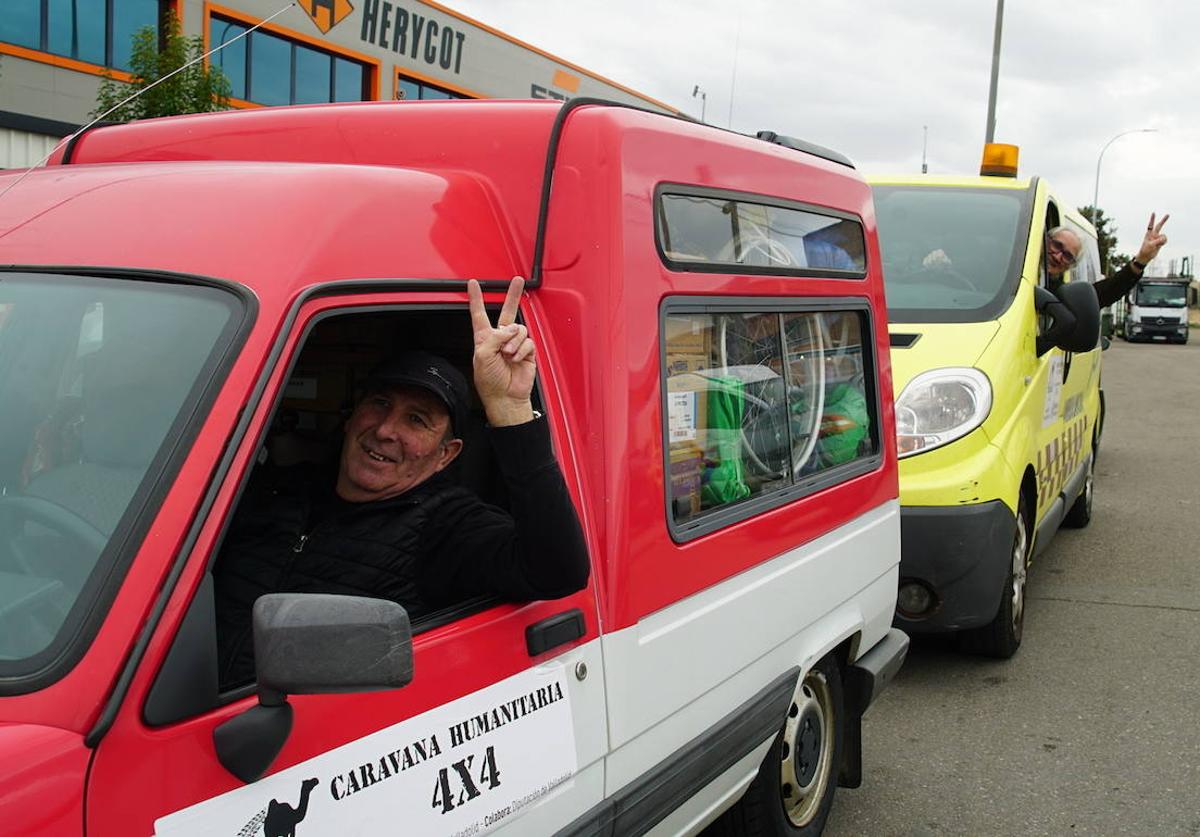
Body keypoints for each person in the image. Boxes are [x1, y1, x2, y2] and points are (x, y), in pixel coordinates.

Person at [213, 277, 590, 688]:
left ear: (446, 454)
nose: (386, 430)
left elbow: (559, 570)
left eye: (417, 420)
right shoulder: (276, 490)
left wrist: (510, 409)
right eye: (379, 404)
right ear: (352, 414)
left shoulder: (446, 525)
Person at [1045, 213, 1170, 308]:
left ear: (1070, 266)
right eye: (1056, 245)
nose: (1057, 256)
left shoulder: (1060, 294)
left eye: (1067, 256)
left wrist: (1141, 260)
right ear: (1045, 240)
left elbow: (1103, 293)